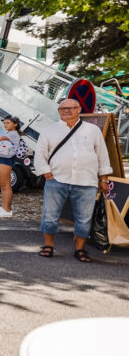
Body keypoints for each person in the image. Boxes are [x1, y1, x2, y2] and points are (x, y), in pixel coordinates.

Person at [33, 99, 112, 262]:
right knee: (50, 215)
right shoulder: (49, 130)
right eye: (62, 108)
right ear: (58, 111)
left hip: (86, 180)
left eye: (70, 108)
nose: (66, 111)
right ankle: (48, 245)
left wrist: (104, 178)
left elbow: (102, 154)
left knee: (84, 218)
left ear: (79, 109)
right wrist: (46, 173)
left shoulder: (93, 130)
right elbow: (40, 154)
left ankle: (80, 249)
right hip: (57, 179)